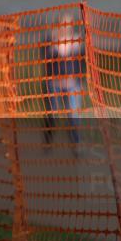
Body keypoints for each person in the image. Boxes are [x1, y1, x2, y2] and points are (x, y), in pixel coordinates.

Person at [42, 14, 85, 150]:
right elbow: (44, 58)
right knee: (52, 115)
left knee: (74, 116)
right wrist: (53, 42)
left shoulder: (77, 41)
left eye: (69, 24)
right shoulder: (51, 40)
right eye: (64, 24)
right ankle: (48, 143)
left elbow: (82, 63)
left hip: (72, 85)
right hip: (54, 84)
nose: (66, 27)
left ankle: (76, 145)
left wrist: (80, 81)